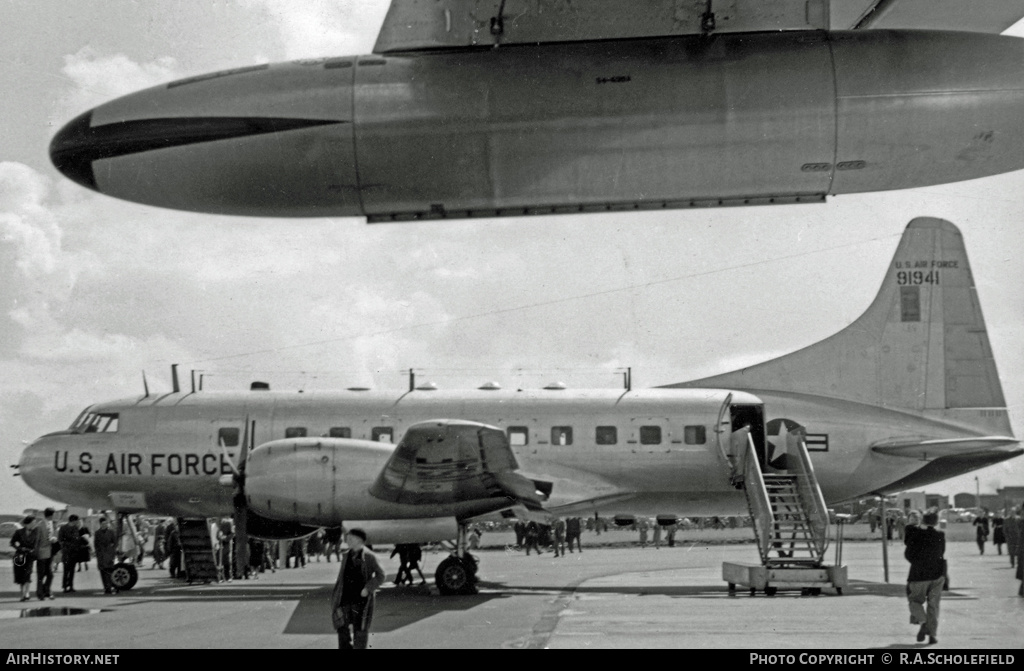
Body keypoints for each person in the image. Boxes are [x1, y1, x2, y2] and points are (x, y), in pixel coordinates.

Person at [330, 529, 386, 650]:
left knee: (360, 630)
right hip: (345, 599)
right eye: (347, 538)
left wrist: (368, 588)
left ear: (359, 540)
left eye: (351, 539)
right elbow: (342, 577)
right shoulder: (346, 555)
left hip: (361, 601)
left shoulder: (370, 556)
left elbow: (381, 575)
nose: (347, 541)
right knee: (342, 629)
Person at [904, 511, 945, 645]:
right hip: (937, 574)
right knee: (934, 606)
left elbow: (908, 553)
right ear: (936, 522)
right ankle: (932, 635)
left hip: (918, 574)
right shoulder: (940, 535)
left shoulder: (915, 534)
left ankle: (924, 622)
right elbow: (941, 552)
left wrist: (917, 562)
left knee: (914, 601)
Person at [11, 516, 39, 602]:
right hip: (19, 556)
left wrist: (34, 551)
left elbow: (37, 543)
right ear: (28, 523)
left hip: (30, 555)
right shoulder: (19, 532)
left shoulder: (36, 532)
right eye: (33, 522)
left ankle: (27, 592)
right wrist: (19, 548)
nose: (35, 524)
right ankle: (22, 594)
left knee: (28, 574)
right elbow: (12, 543)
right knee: (20, 575)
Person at [94, 517, 118, 594]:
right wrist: (98, 553)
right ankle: (106, 588)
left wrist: (112, 551)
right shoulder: (97, 533)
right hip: (101, 554)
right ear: (100, 524)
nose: (105, 525)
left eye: (106, 523)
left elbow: (115, 542)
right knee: (103, 572)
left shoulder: (111, 532)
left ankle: (111, 587)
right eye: (103, 523)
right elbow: (96, 544)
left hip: (109, 554)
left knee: (110, 571)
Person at [58, 515, 82, 593]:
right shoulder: (63, 528)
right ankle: (65, 586)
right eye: (77, 520)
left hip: (74, 552)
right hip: (67, 552)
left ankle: (71, 586)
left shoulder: (76, 528)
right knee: (66, 570)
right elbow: (60, 540)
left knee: (72, 570)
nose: (77, 522)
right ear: (73, 520)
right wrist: (65, 546)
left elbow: (77, 539)